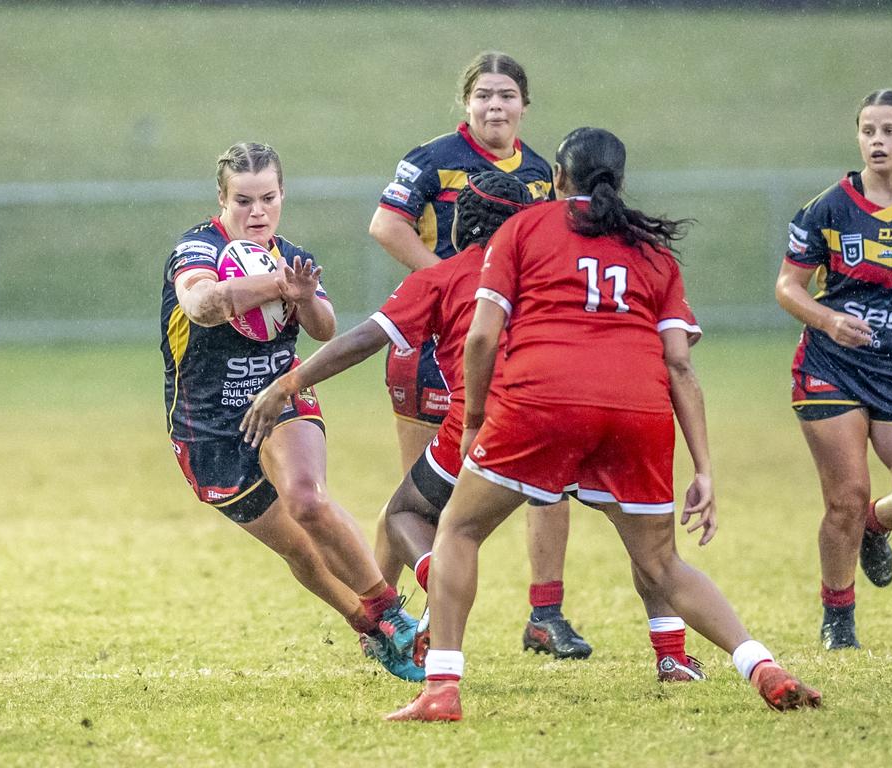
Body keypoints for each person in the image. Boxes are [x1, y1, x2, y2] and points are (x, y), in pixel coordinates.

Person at [386, 127, 823, 721]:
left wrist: (477, 420)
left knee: (457, 532)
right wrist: (704, 468)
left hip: (540, 404)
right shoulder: (653, 251)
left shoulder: (523, 228)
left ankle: (441, 690)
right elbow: (679, 366)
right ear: (620, 181)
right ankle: (760, 664)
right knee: (663, 564)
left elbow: (484, 335)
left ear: (558, 179)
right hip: (637, 412)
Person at [246, 170, 706, 683]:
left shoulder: (443, 277)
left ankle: (436, 604)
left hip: (499, 421)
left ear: (460, 225)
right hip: (597, 413)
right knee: (648, 544)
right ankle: (673, 653)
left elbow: (362, 341)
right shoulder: (562, 269)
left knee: (409, 515)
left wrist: (290, 383)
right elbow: (670, 346)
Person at [159, 141, 421, 681]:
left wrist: (302, 295)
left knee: (307, 501)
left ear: (282, 196)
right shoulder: (196, 249)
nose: (257, 212)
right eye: (243, 201)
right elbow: (203, 306)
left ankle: (391, 613)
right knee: (300, 549)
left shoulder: (290, 255)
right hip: (205, 424)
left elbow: (325, 328)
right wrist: (278, 286)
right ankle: (371, 630)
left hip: (279, 396)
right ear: (221, 199)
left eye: (268, 198)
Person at [368, 50, 589, 659]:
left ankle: (546, 613)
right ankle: (380, 617)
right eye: (484, 95)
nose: (495, 106)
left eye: (507, 96)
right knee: (419, 499)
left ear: (524, 104)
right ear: (467, 102)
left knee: (548, 481)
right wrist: (458, 287)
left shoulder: (543, 172)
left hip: (510, 345)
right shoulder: (434, 159)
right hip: (434, 343)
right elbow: (388, 226)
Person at [775, 89, 892, 651]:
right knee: (845, 495)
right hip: (832, 368)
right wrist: (828, 321)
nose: (878, 141)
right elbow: (787, 288)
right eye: (868, 130)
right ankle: (838, 616)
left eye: (890, 131)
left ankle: (878, 524)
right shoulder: (827, 209)